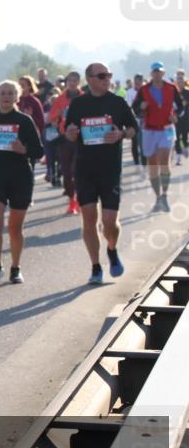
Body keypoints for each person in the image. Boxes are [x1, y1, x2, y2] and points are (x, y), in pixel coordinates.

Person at [63, 62, 139, 285]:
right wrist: (71, 132)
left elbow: (134, 129)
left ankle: (112, 250)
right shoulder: (78, 104)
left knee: (109, 222)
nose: (107, 78)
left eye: (109, 75)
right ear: (90, 79)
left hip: (110, 170)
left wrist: (121, 134)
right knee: (89, 218)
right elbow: (68, 133)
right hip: (85, 169)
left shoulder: (117, 102)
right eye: (102, 75)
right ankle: (95, 266)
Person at [0, 81, 43, 284]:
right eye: (3, 93)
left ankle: (16, 267)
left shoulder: (24, 121)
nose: (6, 96)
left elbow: (39, 151)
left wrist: (24, 150)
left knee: (15, 228)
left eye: (10, 93)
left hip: (20, 177)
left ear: (17, 97)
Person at [131, 61, 186, 212]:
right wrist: (141, 108)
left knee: (164, 161)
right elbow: (134, 109)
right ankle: (158, 197)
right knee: (153, 165)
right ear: (151, 73)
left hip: (166, 129)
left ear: (163, 73)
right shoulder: (144, 90)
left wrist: (175, 116)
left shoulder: (171, 88)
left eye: (159, 71)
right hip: (149, 130)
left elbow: (181, 107)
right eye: (154, 71)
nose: (157, 74)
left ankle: (165, 196)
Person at [48, 71, 83, 214]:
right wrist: (59, 114)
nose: (72, 83)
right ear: (67, 82)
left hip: (81, 139)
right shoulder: (61, 99)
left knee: (78, 170)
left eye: (75, 80)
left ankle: (80, 200)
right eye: (70, 80)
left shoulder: (84, 97)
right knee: (67, 172)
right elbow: (52, 117)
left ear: (79, 82)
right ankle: (71, 200)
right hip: (65, 139)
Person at [127, 73, 147, 169]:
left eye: (139, 83)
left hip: (145, 121)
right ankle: (136, 162)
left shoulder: (146, 91)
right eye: (135, 82)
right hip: (133, 120)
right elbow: (129, 106)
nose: (137, 84)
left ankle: (144, 162)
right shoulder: (129, 92)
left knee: (144, 143)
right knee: (134, 142)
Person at [175, 69, 189, 166]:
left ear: (184, 82)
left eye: (181, 81)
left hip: (187, 118)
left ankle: (186, 148)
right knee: (176, 138)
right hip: (176, 119)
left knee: (184, 138)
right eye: (178, 81)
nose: (180, 83)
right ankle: (178, 158)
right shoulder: (174, 92)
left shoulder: (188, 92)